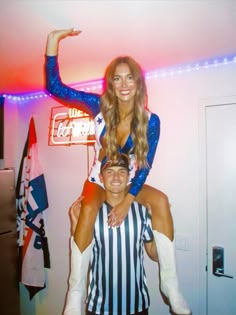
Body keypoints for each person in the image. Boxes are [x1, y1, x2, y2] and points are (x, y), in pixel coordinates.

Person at [45, 28, 191, 315]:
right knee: (87, 210)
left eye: (129, 77)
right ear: (110, 84)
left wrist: (127, 201)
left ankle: (170, 285)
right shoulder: (97, 106)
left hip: (132, 181)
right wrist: (53, 41)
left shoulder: (151, 120)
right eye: (117, 78)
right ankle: (75, 292)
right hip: (98, 179)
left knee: (160, 201)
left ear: (138, 83)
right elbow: (55, 87)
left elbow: (145, 166)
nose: (124, 84)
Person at [65, 154, 158, 315]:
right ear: (100, 177)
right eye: (109, 172)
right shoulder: (90, 214)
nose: (116, 177)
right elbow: (82, 257)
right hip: (99, 307)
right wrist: (75, 225)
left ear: (129, 176)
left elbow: (155, 255)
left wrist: (158, 224)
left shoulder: (142, 212)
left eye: (122, 171)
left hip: (137, 306)